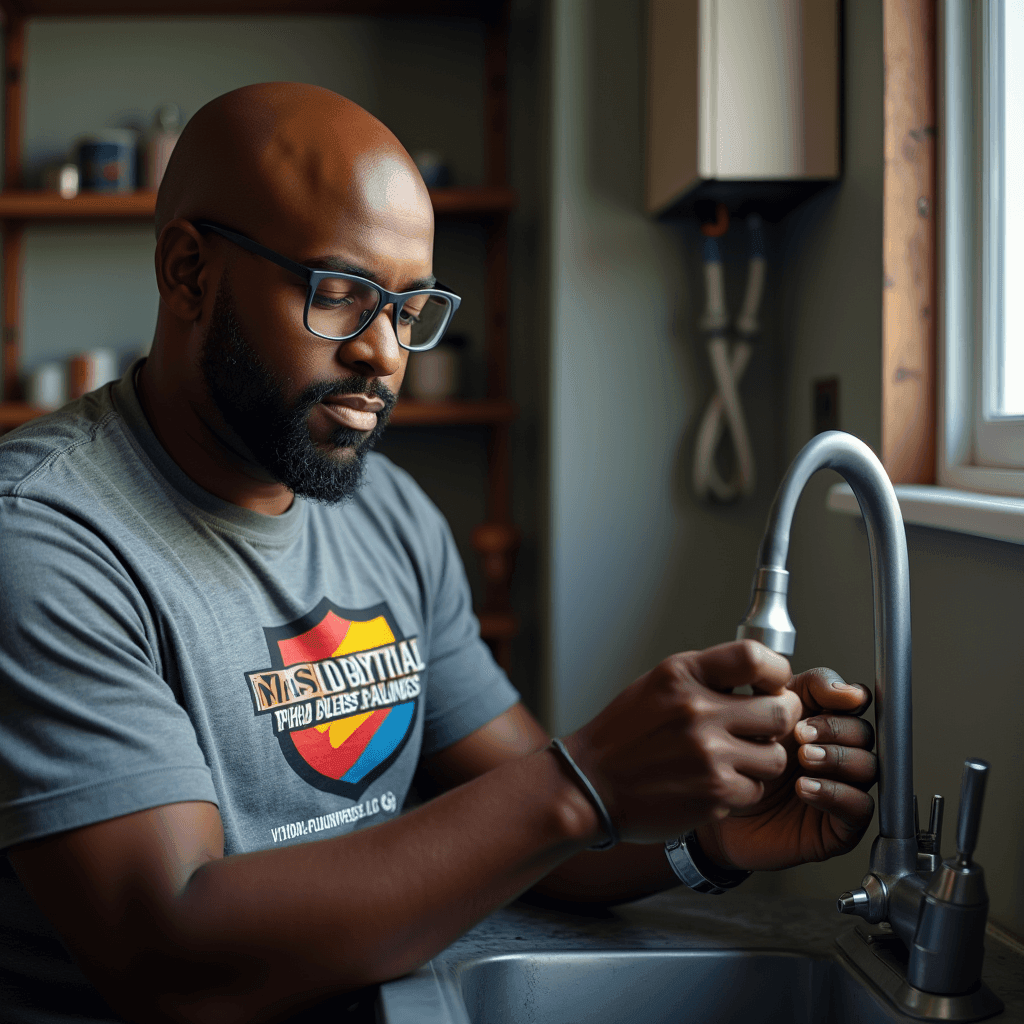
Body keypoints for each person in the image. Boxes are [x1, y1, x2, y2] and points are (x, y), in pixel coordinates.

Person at [0, 83, 877, 1024]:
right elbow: (173, 952)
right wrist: (586, 781)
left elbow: (516, 817)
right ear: (188, 273)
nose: (384, 352)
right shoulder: (45, 533)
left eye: (410, 309)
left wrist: (706, 836)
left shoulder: (390, 515)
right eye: (341, 295)